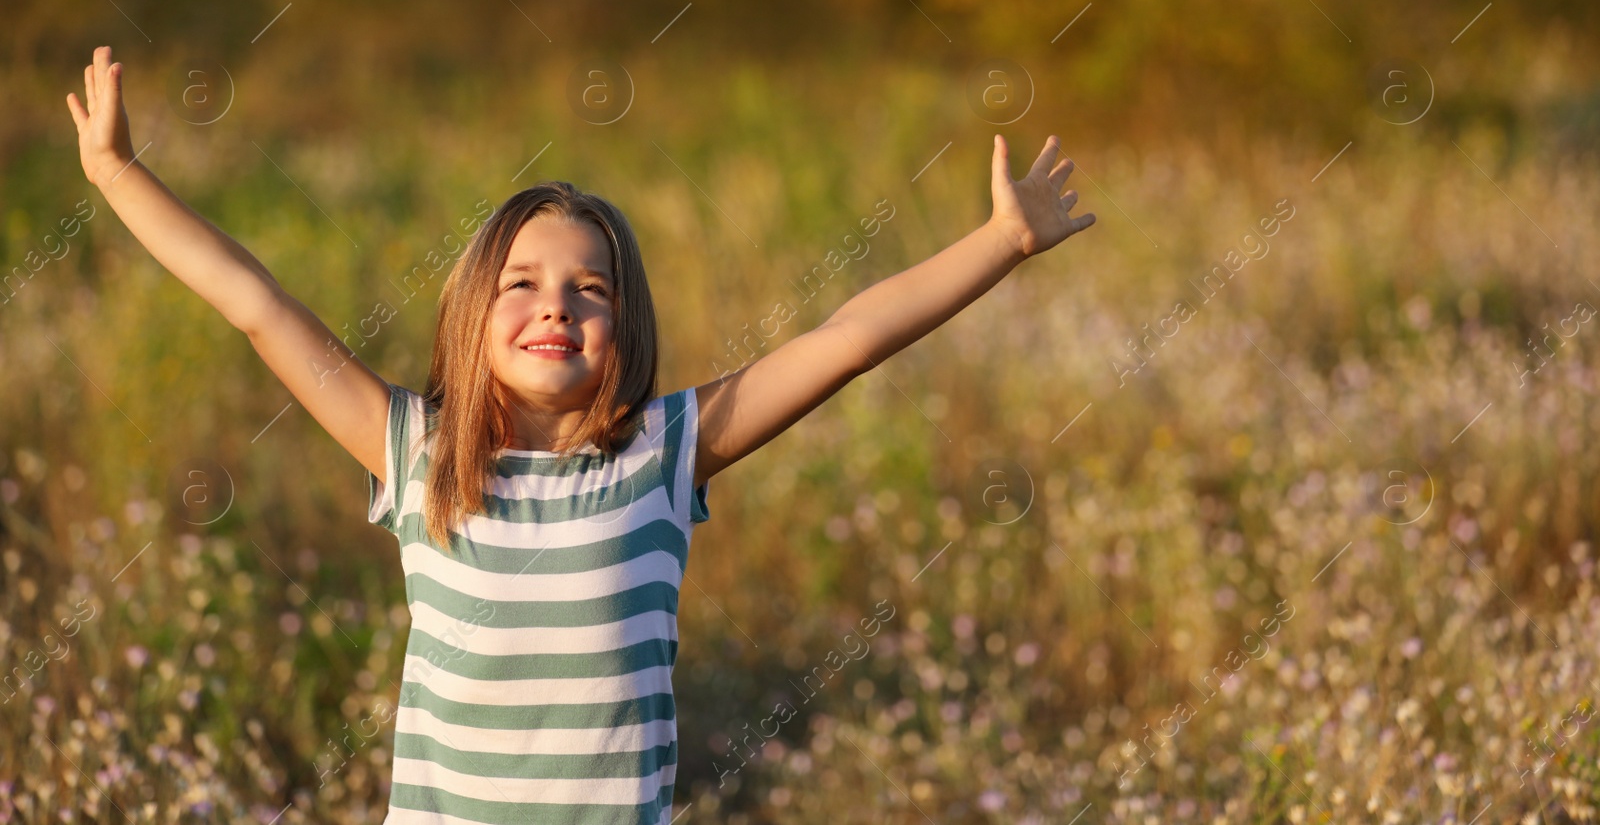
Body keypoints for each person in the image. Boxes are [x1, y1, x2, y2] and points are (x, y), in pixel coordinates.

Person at [66, 44, 1096, 823]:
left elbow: (844, 341)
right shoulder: (414, 451)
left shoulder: (665, 451)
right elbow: (255, 302)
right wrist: (116, 175)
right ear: (470, 315)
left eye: (588, 288)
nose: (554, 305)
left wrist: (1001, 241)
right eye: (521, 283)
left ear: (624, 329)